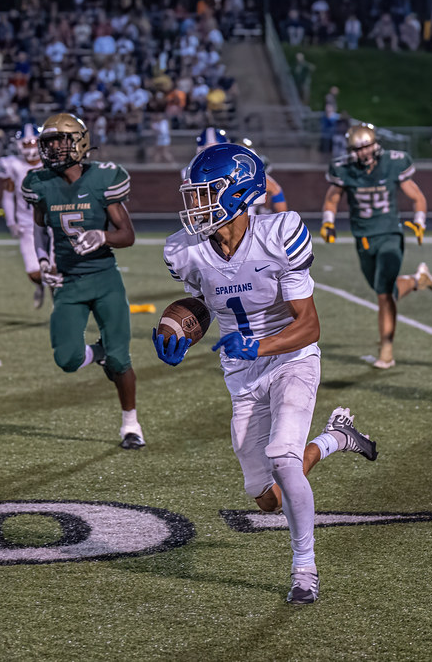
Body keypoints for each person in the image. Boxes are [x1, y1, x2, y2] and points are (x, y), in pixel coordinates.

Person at [156, 143, 379, 605]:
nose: (195, 205)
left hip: (292, 358)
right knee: (266, 495)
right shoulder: (187, 251)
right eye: (193, 195)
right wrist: (180, 325)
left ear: (239, 192)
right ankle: (336, 438)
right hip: (240, 371)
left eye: (205, 194)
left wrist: (258, 342)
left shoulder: (280, 232)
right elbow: (208, 298)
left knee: (282, 455)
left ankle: (305, 568)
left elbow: (309, 324)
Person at [21, 113, 145, 449]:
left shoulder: (104, 178)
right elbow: (38, 228)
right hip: (67, 281)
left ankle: (131, 425)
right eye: (48, 142)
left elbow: (127, 235)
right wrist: (43, 260)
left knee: (121, 359)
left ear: (79, 141)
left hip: (104, 277)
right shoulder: (39, 182)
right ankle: (99, 352)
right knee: (67, 359)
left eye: (60, 140)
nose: (54, 148)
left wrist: (102, 236)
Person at [321, 123, 432, 370]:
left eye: (367, 147)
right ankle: (418, 280)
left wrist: (419, 221)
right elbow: (332, 198)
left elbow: (417, 196)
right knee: (383, 289)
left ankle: (387, 348)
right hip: (363, 238)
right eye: (358, 148)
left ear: (375, 145)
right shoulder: (344, 169)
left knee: (384, 293)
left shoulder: (393, 162)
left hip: (389, 235)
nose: (363, 153)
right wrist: (328, 222)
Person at [0, 123, 48, 308]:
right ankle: (40, 286)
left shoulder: (52, 163)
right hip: (28, 224)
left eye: (33, 142)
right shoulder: (12, 165)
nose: (29, 147)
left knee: (55, 270)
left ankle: (58, 303)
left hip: (51, 223)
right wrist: (11, 222)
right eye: (26, 143)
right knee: (34, 273)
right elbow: (8, 196)